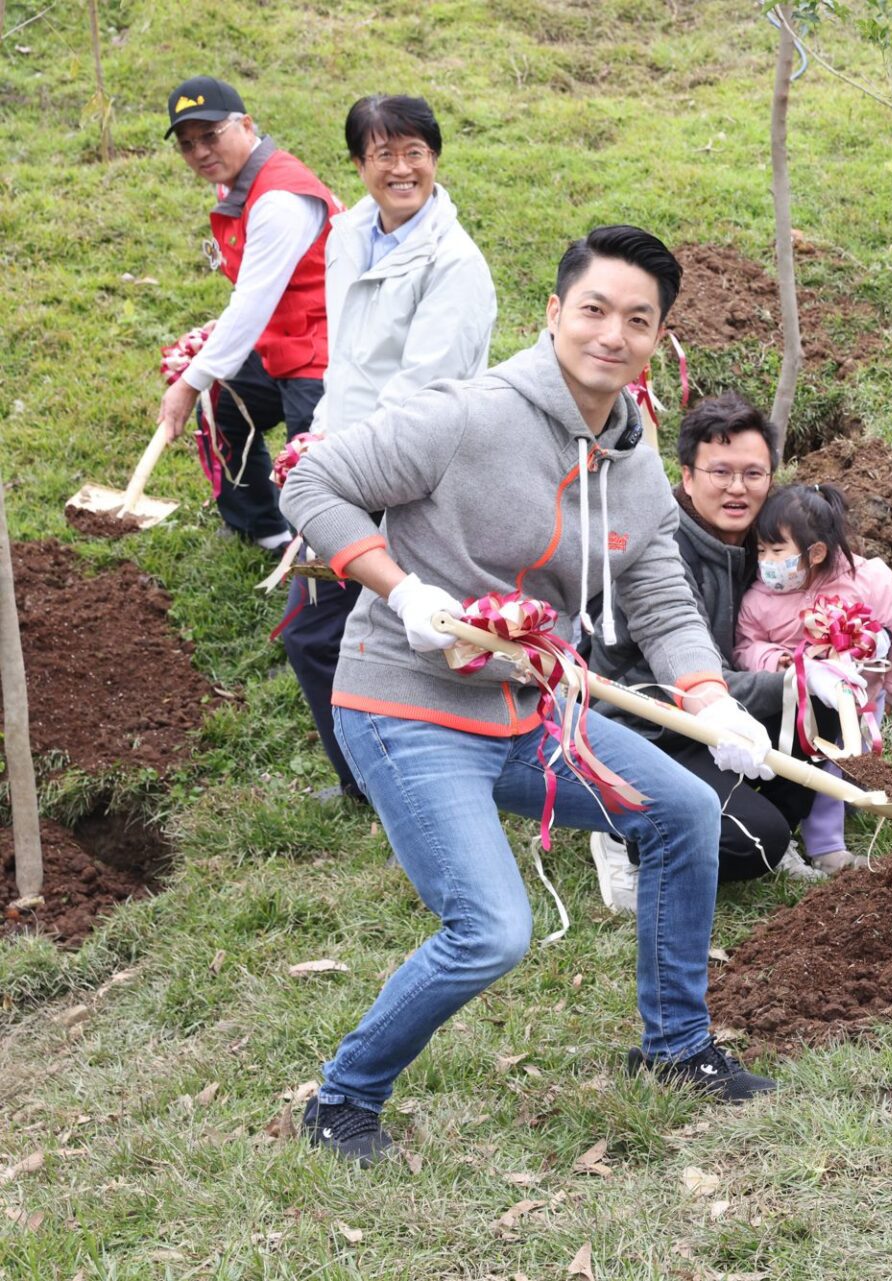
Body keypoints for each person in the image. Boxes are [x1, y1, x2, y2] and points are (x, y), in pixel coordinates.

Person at [279, 226, 779, 1166]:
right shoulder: (466, 414)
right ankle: (343, 1098)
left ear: (658, 338)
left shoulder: (631, 458)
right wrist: (403, 588)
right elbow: (316, 480)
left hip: (528, 709)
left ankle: (676, 1050)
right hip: (407, 706)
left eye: (638, 319)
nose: (611, 333)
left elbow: (660, 594)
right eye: (593, 310)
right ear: (554, 314)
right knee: (491, 930)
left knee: (680, 813)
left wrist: (713, 700)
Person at [281, 94, 497, 804]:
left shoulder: (455, 267)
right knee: (347, 631)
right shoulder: (349, 232)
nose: (401, 169)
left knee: (326, 634)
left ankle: (384, 777)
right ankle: (387, 772)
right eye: (384, 155)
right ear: (358, 164)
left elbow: (421, 392)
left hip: (403, 467)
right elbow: (349, 355)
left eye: (416, 154)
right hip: (345, 455)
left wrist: (334, 468)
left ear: (435, 158)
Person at [587, 393, 823, 905]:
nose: (738, 488)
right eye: (721, 472)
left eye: (753, 474)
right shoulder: (657, 548)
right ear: (688, 476)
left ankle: (770, 818)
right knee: (754, 844)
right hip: (649, 730)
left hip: (721, 718)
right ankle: (620, 834)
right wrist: (795, 682)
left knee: (821, 709)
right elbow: (689, 680)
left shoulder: (768, 545)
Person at [158, 77, 342, 549]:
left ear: (245, 125)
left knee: (314, 469)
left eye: (211, 136)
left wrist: (189, 380)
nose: (200, 152)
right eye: (188, 144)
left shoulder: (280, 199)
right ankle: (258, 527)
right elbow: (257, 298)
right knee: (221, 407)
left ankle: (322, 560)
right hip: (278, 339)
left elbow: (252, 302)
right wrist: (206, 373)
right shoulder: (237, 186)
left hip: (327, 350)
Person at [734, 483, 892, 873]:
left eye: (776, 551)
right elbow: (744, 645)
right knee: (826, 763)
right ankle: (826, 847)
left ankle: (852, 798)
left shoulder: (864, 581)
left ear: (816, 552)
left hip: (863, 698)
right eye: (761, 551)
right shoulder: (758, 600)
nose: (766, 561)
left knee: (857, 760)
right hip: (805, 710)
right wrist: (777, 660)